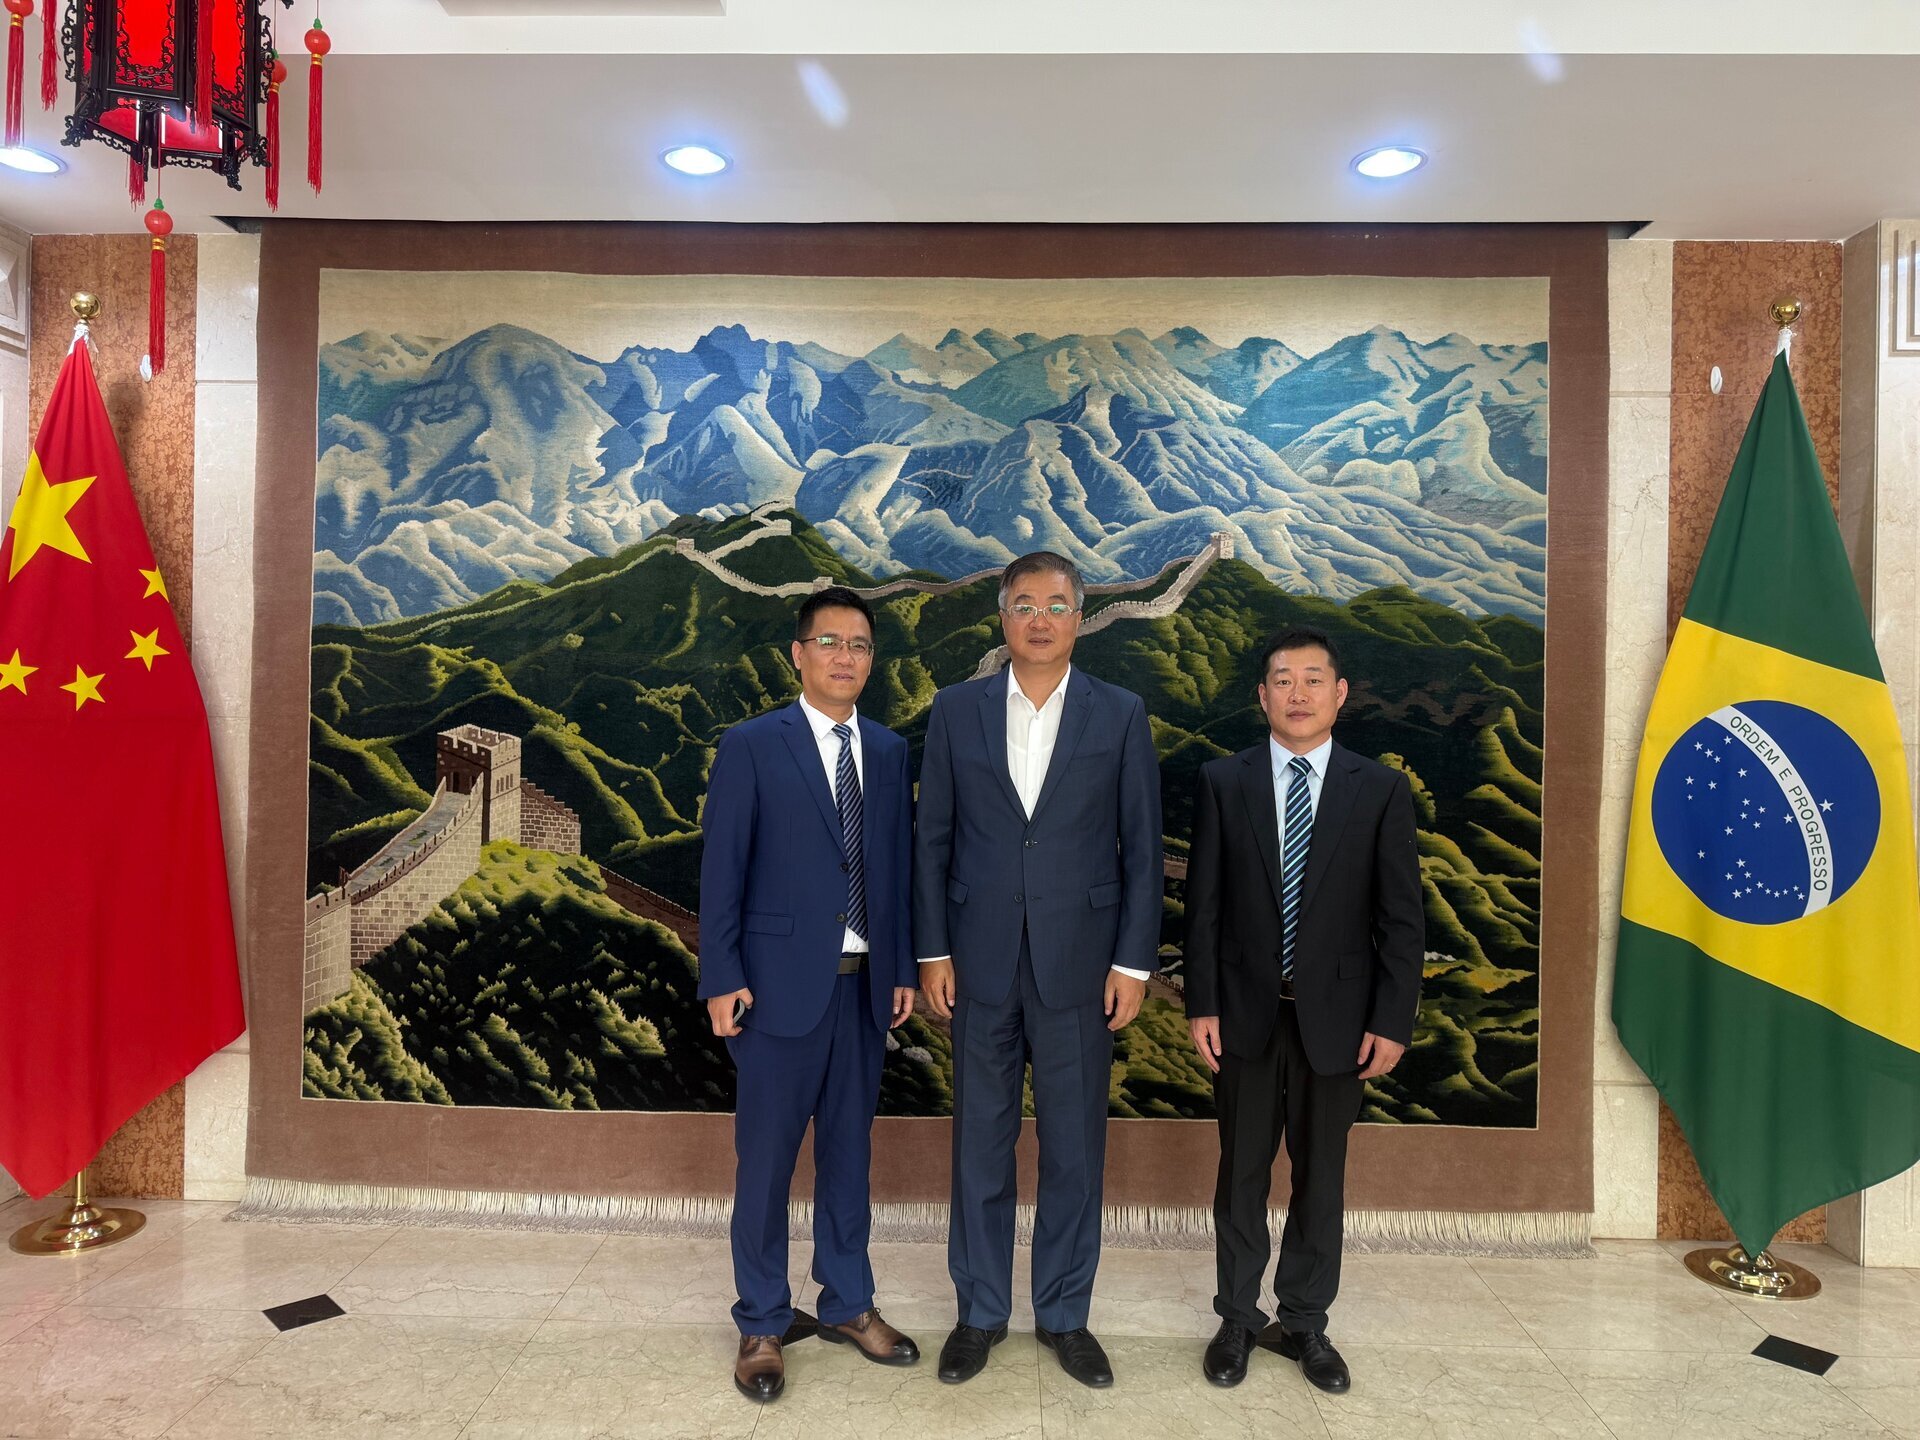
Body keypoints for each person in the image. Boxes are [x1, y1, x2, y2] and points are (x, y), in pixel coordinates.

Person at [914, 551, 1164, 1389]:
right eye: (1025, 604)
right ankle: (979, 1313)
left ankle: (1064, 1314)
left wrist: (1132, 962)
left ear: (1079, 618)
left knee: (1074, 1151)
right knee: (979, 1147)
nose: (1041, 619)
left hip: (1081, 968)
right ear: (1003, 617)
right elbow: (932, 839)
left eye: (1057, 604)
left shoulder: (1119, 712)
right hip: (977, 962)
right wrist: (933, 950)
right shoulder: (956, 711)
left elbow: (1141, 848)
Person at [1182, 625, 1423, 1395]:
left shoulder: (1377, 789)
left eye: (1313, 679)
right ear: (1262, 696)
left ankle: (1306, 1321)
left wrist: (1392, 1019)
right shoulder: (1224, 781)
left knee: (1322, 1176)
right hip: (1244, 1014)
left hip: (1342, 1021)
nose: (1298, 693)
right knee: (1241, 1173)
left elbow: (1402, 919)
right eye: (1282, 679)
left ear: (1340, 693)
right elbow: (1202, 908)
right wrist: (1201, 1004)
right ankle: (1236, 1317)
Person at [698, 586, 921, 1403]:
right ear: (799, 654)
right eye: (829, 642)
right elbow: (722, 867)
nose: (844, 656)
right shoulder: (754, 745)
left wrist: (901, 968)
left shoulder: (889, 752)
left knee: (849, 1158)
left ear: (872, 659)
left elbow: (895, 872)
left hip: (864, 993)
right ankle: (762, 1319)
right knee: (765, 1162)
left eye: (859, 644)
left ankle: (848, 1303)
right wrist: (721, 975)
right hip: (774, 993)